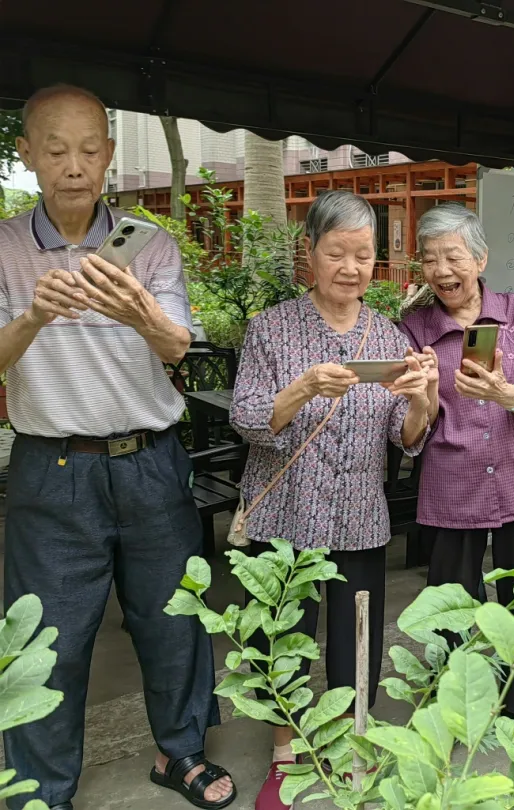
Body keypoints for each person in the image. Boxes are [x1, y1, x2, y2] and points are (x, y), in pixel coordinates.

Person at [0, 85, 234, 810]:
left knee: (172, 618)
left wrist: (137, 309)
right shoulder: (4, 248)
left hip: (149, 459)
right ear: (28, 154)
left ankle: (182, 752)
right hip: (52, 466)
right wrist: (35, 316)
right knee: (48, 636)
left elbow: (176, 347)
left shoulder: (151, 243)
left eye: (90, 149)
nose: (75, 165)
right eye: (57, 149)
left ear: (107, 154)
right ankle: (42, 789)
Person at [230, 191, 432, 810]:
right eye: (337, 252)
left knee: (356, 638)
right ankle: (286, 755)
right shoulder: (271, 328)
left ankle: (349, 747)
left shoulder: (387, 334)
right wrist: (302, 388)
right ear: (309, 254)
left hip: (359, 518)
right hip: (283, 516)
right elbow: (247, 419)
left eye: (363, 255)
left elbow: (407, 435)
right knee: (280, 636)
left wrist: (423, 395)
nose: (350, 267)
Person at [398, 203, 514, 734]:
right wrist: (420, 395)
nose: (442, 271)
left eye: (454, 256)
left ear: (480, 258)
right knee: (451, 602)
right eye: (430, 259)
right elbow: (409, 422)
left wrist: (509, 393)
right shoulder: (415, 327)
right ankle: (459, 709)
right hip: (451, 481)